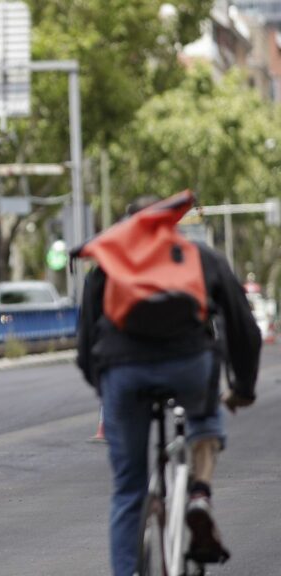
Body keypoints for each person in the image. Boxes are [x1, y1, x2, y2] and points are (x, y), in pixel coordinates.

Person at [76, 196, 261, 576]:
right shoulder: (198, 255)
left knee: (128, 489)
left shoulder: (108, 262)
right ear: (171, 224)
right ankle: (198, 496)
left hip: (124, 372)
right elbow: (244, 329)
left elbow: (85, 344)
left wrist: (106, 388)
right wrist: (242, 387)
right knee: (206, 420)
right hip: (189, 364)